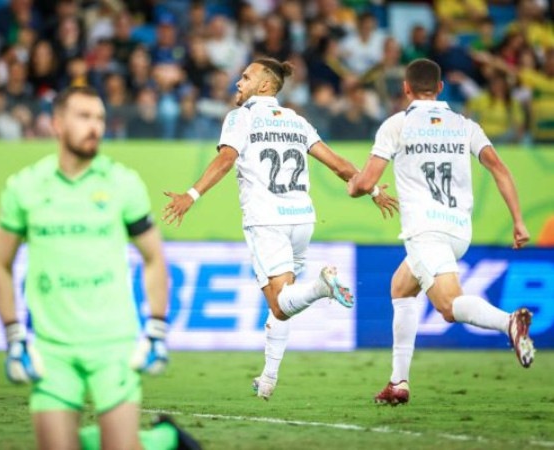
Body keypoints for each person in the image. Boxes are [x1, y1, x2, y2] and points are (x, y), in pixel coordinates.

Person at [163, 57, 398, 400]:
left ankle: (321, 286)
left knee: (278, 305)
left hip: (267, 219)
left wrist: (191, 195)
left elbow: (226, 159)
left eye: (245, 77)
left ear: (264, 85)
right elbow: (338, 165)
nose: (237, 83)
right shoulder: (295, 120)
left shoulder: (240, 117)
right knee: (285, 301)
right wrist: (373, 190)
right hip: (302, 218)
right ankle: (269, 379)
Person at [0, 86, 200, 450]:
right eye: (84, 117)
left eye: (100, 118)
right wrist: (13, 337)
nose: (95, 127)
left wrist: (157, 328)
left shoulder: (123, 183)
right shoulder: (24, 188)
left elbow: (154, 257)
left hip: (113, 346)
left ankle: (164, 439)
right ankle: (162, 439)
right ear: (57, 124)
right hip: (52, 349)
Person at [347, 58, 536, 406]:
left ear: (406, 89)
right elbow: (500, 169)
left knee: (448, 306)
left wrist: (355, 187)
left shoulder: (396, 125)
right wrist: (519, 221)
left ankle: (509, 322)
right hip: (458, 230)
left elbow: (367, 182)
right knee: (401, 288)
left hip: (425, 231)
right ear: (440, 88)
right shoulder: (465, 125)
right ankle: (398, 382)